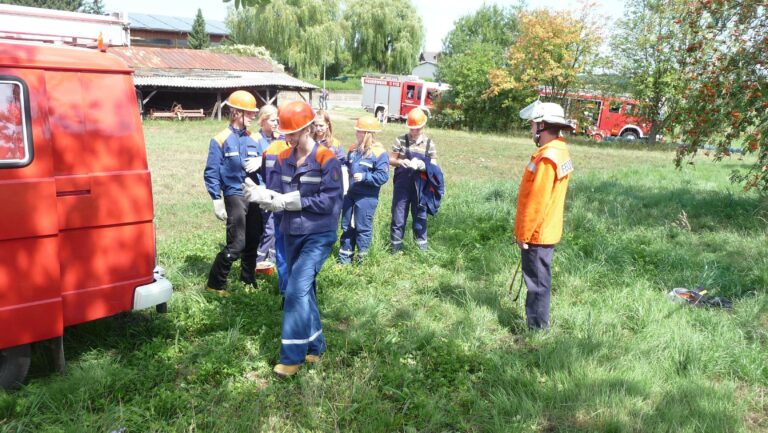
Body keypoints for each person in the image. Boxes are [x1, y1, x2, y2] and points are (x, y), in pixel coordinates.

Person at [255, 101, 343, 377]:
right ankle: (316, 346)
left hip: (318, 235)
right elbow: (275, 192)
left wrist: (295, 202)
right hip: (291, 233)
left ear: (307, 129)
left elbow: (331, 201)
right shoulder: (283, 158)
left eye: (292, 133)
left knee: (294, 291)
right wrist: (263, 197)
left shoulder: (327, 159)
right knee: (305, 291)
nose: (288, 138)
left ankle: (292, 357)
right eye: (285, 133)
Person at [515, 100, 575, 330]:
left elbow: (537, 202)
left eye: (532, 125)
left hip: (537, 233)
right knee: (539, 280)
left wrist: (524, 235)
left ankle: (538, 329)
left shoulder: (548, 158)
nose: (531, 129)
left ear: (542, 126)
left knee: (537, 283)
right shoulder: (559, 150)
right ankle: (538, 325)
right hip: (545, 229)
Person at [203, 90, 263, 296]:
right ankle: (215, 284)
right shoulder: (220, 139)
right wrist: (216, 199)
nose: (253, 116)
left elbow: (271, 160)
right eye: (249, 112)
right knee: (237, 243)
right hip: (234, 193)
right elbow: (211, 172)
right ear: (237, 112)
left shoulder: (255, 138)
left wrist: (262, 160)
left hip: (253, 194)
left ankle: (248, 280)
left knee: (253, 239)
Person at [338, 115, 390, 264]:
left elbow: (383, 176)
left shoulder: (379, 153)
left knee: (363, 229)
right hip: (350, 195)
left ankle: (363, 263)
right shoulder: (353, 149)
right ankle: (344, 260)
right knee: (347, 226)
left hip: (366, 198)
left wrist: (365, 176)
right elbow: (347, 166)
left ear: (368, 134)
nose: (356, 133)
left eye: (359, 131)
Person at [389, 108, 437, 252]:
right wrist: (400, 162)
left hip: (421, 188)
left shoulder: (429, 144)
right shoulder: (400, 140)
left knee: (420, 217)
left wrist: (424, 166)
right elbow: (391, 159)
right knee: (398, 217)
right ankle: (395, 250)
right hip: (402, 186)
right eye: (412, 129)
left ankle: (421, 251)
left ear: (423, 126)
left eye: (417, 129)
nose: (414, 132)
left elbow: (434, 168)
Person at [252, 105, 280, 266]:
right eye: (272, 120)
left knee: (276, 226)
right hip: (262, 189)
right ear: (263, 120)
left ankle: (272, 260)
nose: (276, 123)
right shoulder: (255, 139)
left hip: (277, 190)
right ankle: (257, 261)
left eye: (277, 120)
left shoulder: (279, 139)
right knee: (269, 228)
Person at [313, 109, 348, 193]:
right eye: (316, 125)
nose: (318, 128)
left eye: (321, 125)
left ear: (327, 125)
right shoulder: (309, 142)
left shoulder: (335, 143)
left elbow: (341, 165)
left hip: (329, 184)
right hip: (312, 183)